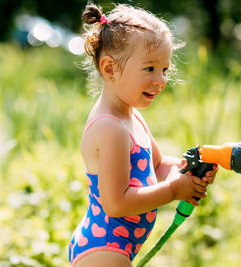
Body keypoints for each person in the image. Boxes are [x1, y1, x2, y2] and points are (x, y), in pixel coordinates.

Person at [68, 3, 218, 266]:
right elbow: (116, 204)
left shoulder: (131, 115)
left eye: (165, 69)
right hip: (104, 250)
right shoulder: (111, 128)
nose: (160, 80)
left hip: (117, 245)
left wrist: (189, 170)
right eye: (149, 69)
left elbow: (157, 166)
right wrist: (173, 190)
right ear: (110, 69)